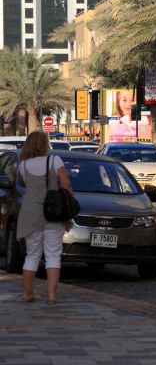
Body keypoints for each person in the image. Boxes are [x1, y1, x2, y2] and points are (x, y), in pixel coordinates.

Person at [16, 130, 74, 304]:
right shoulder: (54, 160)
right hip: (53, 213)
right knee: (53, 255)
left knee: (32, 255)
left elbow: (27, 186)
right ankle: (51, 296)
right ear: (44, 144)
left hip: (31, 214)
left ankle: (27, 293)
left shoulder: (22, 166)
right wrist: (70, 202)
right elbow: (66, 184)